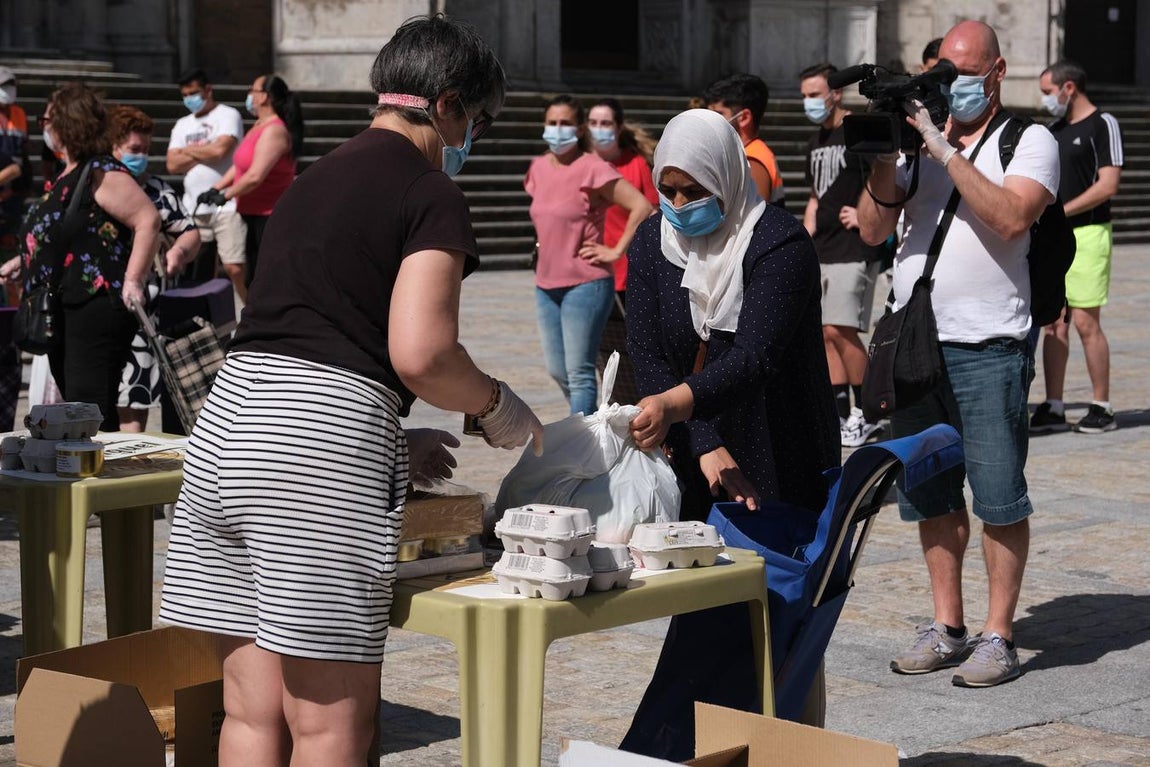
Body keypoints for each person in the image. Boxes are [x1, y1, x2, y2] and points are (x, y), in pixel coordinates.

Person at [158, 16, 544, 766]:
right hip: (313, 456)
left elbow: (302, 334)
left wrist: (389, 440)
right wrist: (496, 403)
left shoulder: (313, 179)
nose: (476, 140)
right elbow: (423, 351)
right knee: (331, 728)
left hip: (228, 431)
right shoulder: (428, 190)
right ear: (449, 105)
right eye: (481, 122)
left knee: (250, 713)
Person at [620, 109, 839, 759]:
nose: (681, 206)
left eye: (696, 191)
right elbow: (650, 352)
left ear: (728, 178)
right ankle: (711, 750)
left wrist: (682, 407)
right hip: (699, 451)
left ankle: (793, 751)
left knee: (781, 623)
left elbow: (755, 358)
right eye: (670, 190)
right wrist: (705, 435)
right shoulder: (655, 240)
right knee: (708, 623)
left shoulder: (777, 243)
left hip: (780, 445)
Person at [857, 19, 1060, 688]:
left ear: (998, 73)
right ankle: (947, 625)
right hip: (915, 344)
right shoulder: (919, 147)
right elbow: (874, 225)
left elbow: (1009, 216)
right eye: (944, 73)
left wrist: (943, 147)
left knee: (999, 495)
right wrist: (892, 146)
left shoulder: (1027, 140)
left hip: (991, 344)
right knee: (931, 496)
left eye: (965, 75)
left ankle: (999, 633)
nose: (953, 86)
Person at [14, 83, 159, 431]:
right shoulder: (70, 173)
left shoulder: (101, 172)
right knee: (83, 408)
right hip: (64, 308)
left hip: (93, 307)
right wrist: (20, 263)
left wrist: (133, 280)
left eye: (47, 119)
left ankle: (99, 479)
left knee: (88, 408)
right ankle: (93, 474)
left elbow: (147, 219)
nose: (43, 127)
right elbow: (67, 236)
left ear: (66, 124)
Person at [525, 94, 653, 416]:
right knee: (558, 370)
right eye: (551, 123)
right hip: (545, 284)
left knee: (580, 372)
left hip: (586, 283)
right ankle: (593, 426)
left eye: (565, 123)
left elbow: (642, 206)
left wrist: (616, 249)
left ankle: (580, 447)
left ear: (579, 128)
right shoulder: (539, 167)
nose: (557, 130)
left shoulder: (593, 168)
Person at [1031, 60, 1123, 434]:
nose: (1045, 101)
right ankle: (1054, 405)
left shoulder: (1104, 124)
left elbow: (1108, 184)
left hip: (1089, 233)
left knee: (1086, 321)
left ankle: (1101, 405)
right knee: (1055, 322)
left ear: (1069, 88)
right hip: (1057, 239)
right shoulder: (1054, 130)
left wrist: (1062, 211)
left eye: (1048, 92)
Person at [799, 63, 886, 448]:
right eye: (805, 95)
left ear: (835, 93)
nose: (809, 102)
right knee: (823, 332)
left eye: (815, 94)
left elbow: (880, 173)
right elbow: (817, 194)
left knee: (841, 328)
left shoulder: (856, 130)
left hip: (853, 245)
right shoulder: (816, 140)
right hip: (823, 246)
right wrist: (805, 233)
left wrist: (865, 210)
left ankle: (871, 412)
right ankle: (840, 414)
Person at [108, 105, 202, 431]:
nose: (142, 157)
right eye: (135, 150)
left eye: (146, 150)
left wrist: (179, 251)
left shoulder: (157, 189)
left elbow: (190, 232)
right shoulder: (96, 186)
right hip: (99, 308)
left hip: (142, 307)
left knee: (135, 401)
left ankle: (128, 469)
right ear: (113, 146)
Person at [200, 73, 302, 290]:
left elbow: (256, 175)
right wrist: (216, 188)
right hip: (252, 213)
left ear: (264, 97)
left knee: (263, 279)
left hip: (269, 216)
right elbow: (240, 166)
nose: (249, 95)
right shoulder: (259, 125)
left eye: (252, 90)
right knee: (253, 277)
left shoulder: (274, 130)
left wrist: (225, 195)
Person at [588, 97, 659, 404]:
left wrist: (618, 249)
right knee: (601, 357)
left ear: (618, 128)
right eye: (593, 123)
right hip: (591, 275)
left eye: (606, 123)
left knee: (634, 352)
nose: (599, 129)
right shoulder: (579, 164)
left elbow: (652, 211)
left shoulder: (635, 164)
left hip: (630, 275)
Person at [166, 69, 247, 300]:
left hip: (226, 204)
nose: (190, 99)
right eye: (185, 95)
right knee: (199, 267)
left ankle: (249, 308)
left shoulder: (227, 115)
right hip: (195, 206)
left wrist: (187, 151)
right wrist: (207, 151)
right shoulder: (182, 124)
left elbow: (221, 150)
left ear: (208, 90)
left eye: (194, 93)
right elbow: (172, 164)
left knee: (234, 266)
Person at [703, 74, 787, 208]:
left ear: (744, 117)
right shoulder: (743, 154)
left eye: (718, 114)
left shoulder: (752, 161)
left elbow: (752, 218)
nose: (710, 121)